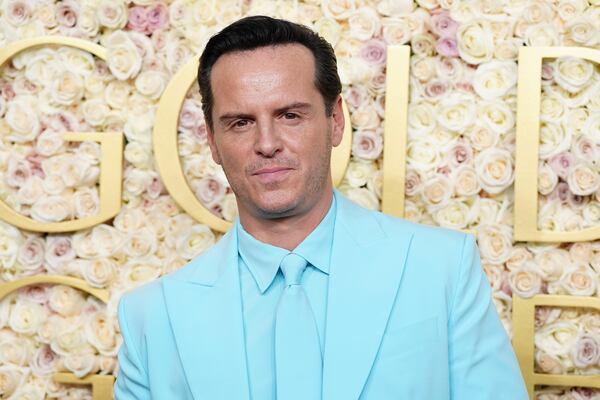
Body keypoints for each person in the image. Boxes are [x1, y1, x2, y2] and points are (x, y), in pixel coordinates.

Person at [114, 15, 527, 400]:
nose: (267, 142)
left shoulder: (442, 269)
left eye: (290, 115)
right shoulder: (152, 317)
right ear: (211, 141)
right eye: (240, 122)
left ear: (335, 120)